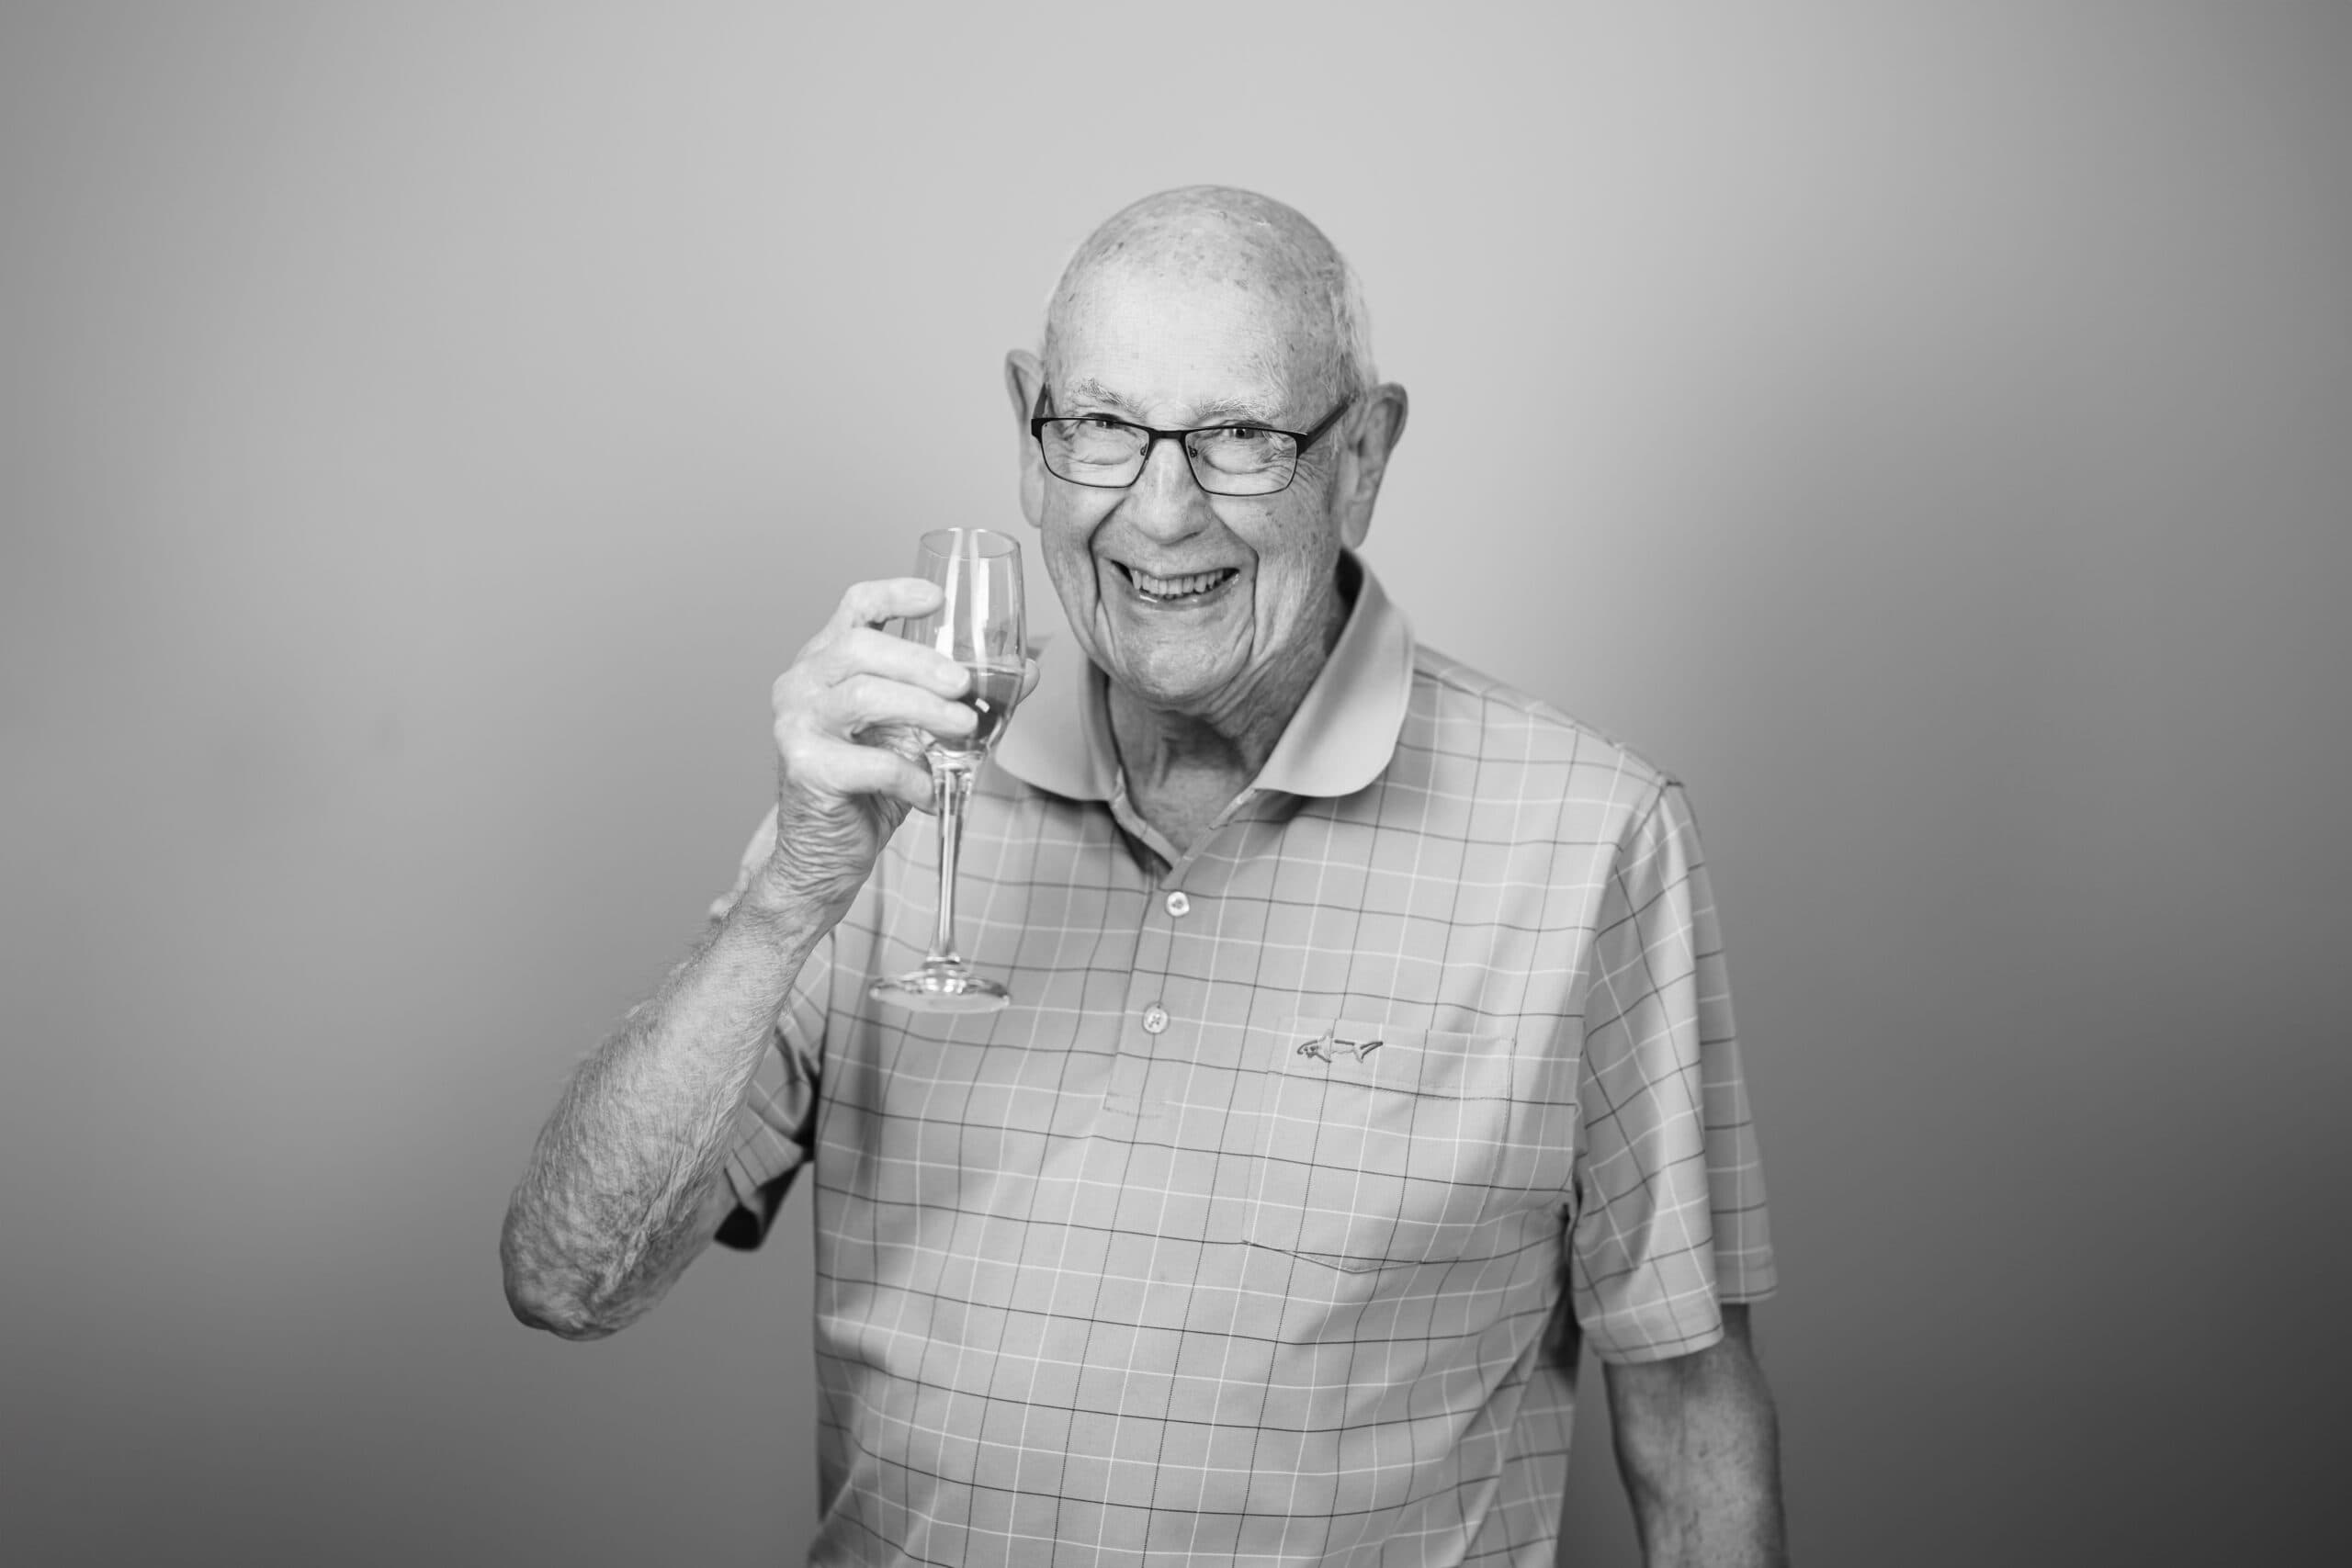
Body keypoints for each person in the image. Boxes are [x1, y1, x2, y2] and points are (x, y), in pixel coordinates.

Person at [503, 186, 1787, 1566]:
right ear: (1028, 433)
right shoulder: (892, 792)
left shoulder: (1589, 839)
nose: (1160, 513)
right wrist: (786, 901)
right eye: (1105, 427)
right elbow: (568, 1279)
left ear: (1363, 454)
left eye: (1238, 435)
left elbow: (1690, 1424)